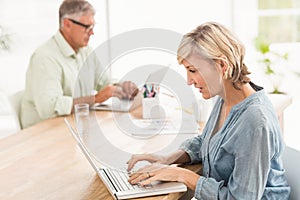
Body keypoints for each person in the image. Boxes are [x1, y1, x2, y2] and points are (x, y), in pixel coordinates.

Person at [127, 22, 290, 199]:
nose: (189, 81)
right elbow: (209, 142)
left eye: (193, 70)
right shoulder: (225, 98)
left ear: (222, 65)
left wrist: (181, 174)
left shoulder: (255, 121)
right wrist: (168, 159)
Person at [20, 0, 137, 128]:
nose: (92, 32)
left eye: (92, 27)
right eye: (87, 27)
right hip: (42, 133)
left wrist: (124, 87)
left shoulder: (85, 51)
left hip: (74, 125)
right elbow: (49, 108)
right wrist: (96, 99)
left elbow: (104, 83)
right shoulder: (45, 57)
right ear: (67, 24)